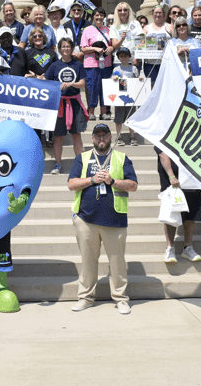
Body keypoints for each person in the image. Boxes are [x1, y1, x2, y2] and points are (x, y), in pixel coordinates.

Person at [68, 123, 138, 315]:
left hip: (114, 220)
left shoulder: (122, 158)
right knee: (88, 261)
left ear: (110, 137)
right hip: (86, 219)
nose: (101, 139)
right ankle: (85, 297)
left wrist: (112, 181)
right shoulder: (82, 158)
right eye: (97, 136)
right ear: (92, 138)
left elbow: (133, 185)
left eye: (104, 135)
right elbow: (71, 184)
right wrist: (92, 180)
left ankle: (121, 299)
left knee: (117, 262)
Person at [157, 146, 201, 264]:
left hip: (191, 176)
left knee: (191, 212)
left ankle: (188, 248)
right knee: (171, 213)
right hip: (172, 179)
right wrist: (171, 175)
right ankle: (170, 248)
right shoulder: (165, 129)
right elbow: (162, 153)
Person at [46, 38, 86, 175]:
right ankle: (58, 164)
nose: (65, 49)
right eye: (63, 46)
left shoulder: (78, 65)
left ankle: (80, 164)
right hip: (59, 104)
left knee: (77, 135)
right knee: (58, 136)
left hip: (74, 103)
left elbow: (82, 83)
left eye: (68, 46)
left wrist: (71, 84)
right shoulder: (55, 66)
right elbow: (46, 81)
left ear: (72, 48)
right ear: (59, 48)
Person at [110, 48, 142, 145]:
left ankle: (132, 137)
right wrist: (113, 78)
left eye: (125, 56)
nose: (123, 58)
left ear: (129, 57)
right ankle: (119, 138)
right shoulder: (116, 69)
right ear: (119, 58)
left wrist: (140, 78)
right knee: (118, 119)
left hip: (130, 98)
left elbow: (137, 82)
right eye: (121, 56)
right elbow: (111, 81)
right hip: (119, 98)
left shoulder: (134, 69)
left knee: (131, 118)